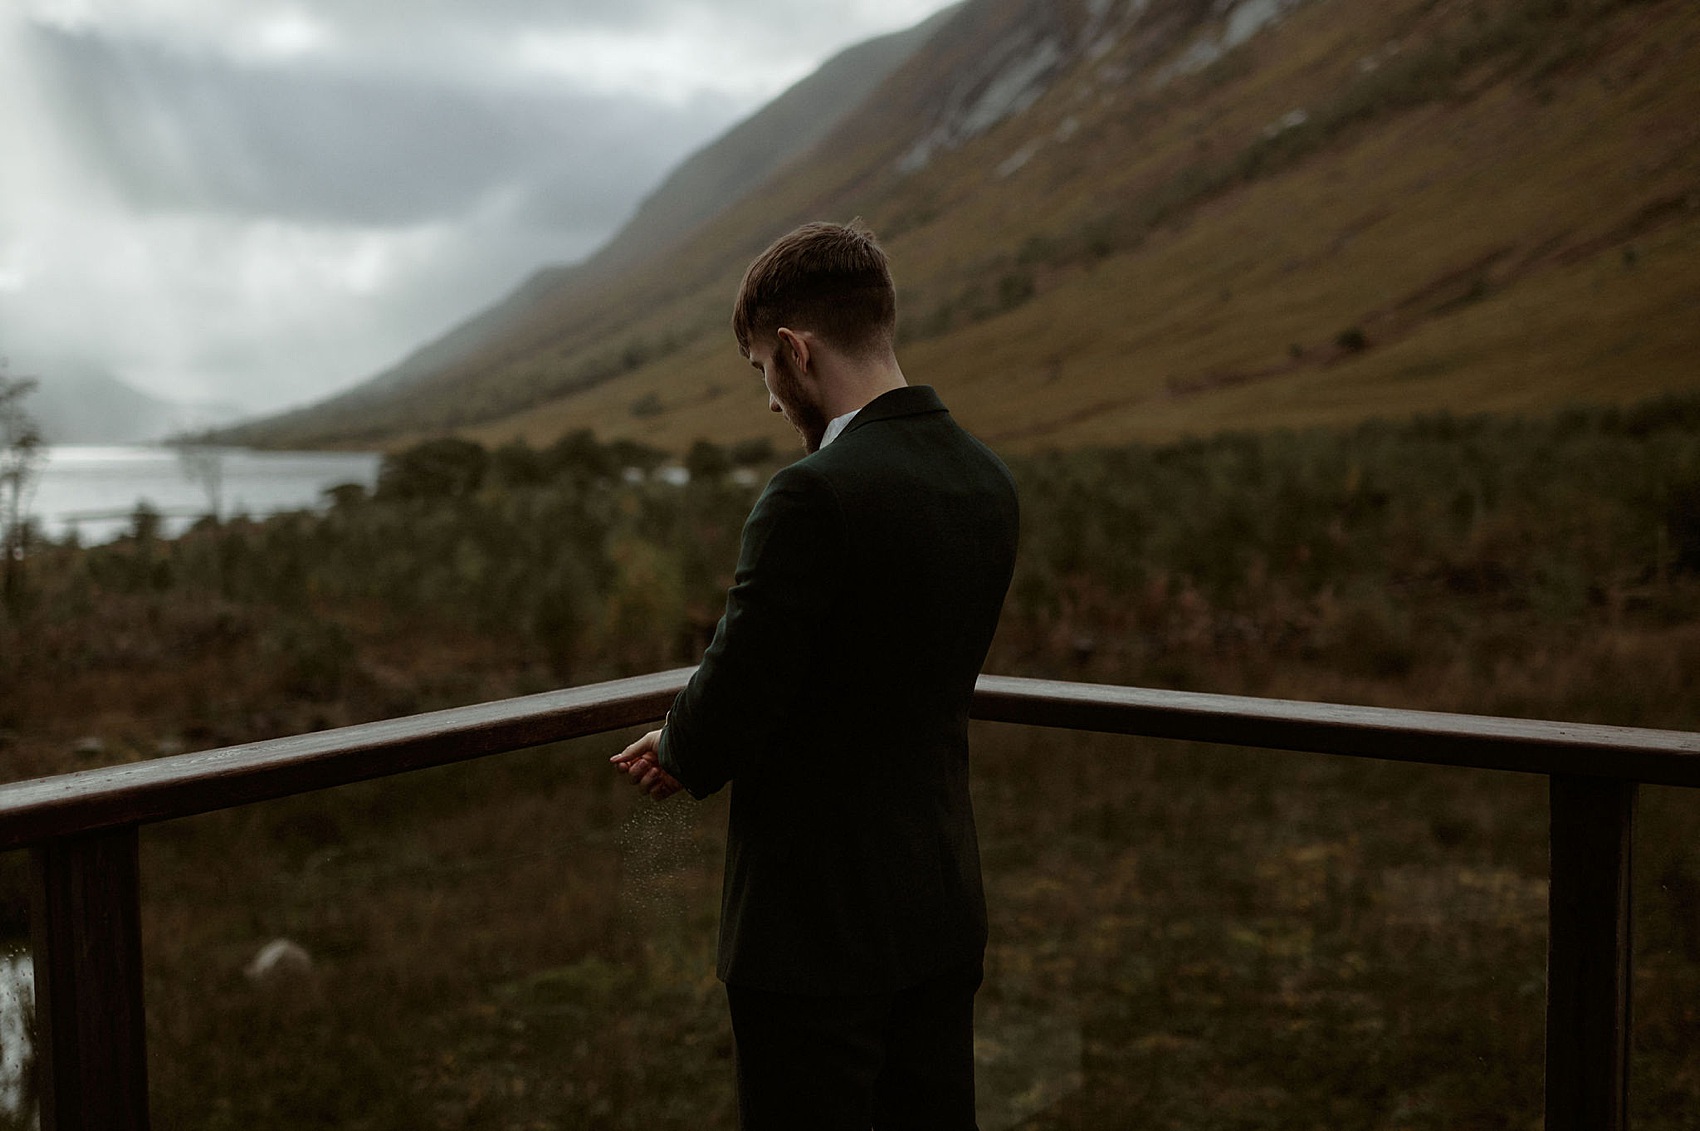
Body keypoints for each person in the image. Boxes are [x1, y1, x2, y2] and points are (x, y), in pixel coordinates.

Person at [610, 221, 1019, 1131]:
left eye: (761, 368)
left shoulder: (812, 494)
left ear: (795, 351)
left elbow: (744, 669)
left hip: (812, 932)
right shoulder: (986, 479)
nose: (768, 398)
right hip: (940, 900)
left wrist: (677, 742)